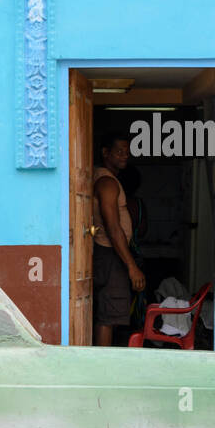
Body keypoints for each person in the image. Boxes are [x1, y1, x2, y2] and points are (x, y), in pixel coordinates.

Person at [92, 131, 145, 346]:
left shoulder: (104, 178)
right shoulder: (107, 182)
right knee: (109, 316)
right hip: (110, 254)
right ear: (106, 153)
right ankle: (102, 369)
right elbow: (113, 227)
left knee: (107, 313)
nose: (125, 156)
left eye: (127, 152)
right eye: (119, 152)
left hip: (111, 254)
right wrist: (132, 267)